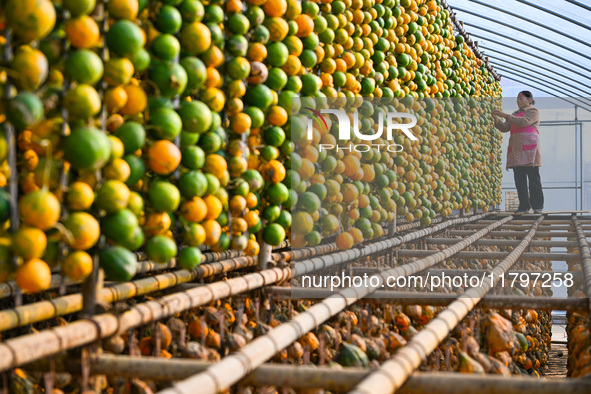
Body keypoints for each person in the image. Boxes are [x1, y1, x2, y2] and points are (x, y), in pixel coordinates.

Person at [492, 91, 544, 214]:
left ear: (529, 100)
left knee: (533, 179)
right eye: (517, 99)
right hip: (516, 150)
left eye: (521, 98)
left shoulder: (533, 111)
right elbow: (505, 128)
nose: (518, 101)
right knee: (519, 180)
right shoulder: (515, 114)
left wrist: (504, 115)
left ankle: (537, 206)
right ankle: (524, 206)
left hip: (529, 151)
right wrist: (496, 119)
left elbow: (523, 122)